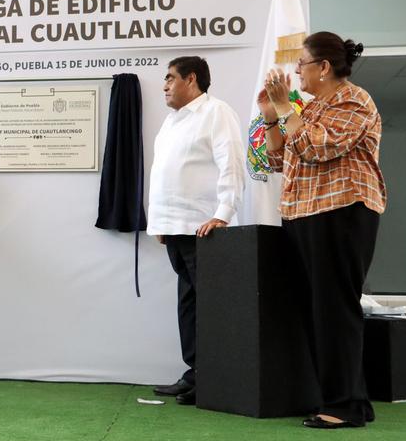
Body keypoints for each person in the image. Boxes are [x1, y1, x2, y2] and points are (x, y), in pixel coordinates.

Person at [259, 32, 386, 429]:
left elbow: (317, 148)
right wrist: (270, 117)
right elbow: (278, 159)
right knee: (318, 309)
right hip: (303, 214)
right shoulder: (309, 108)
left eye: (302, 63)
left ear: (324, 67)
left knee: (334, 308)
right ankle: (350, 401)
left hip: (341, 211)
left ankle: (343, 406)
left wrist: (284, 106)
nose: (296, 70)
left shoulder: (353, 99)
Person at [147, 56, 245, 405]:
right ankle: (196, 374)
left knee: (210, 306)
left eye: (170, 78)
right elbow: (166, 173)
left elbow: (232, 162)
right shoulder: (172, 122)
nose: (164, 85)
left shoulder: (216, 112)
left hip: (204, 229)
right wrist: (160, 222)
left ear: (191, 79)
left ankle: (217, 378)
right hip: (175, 228)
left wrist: (223, 213)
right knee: (189, 305)